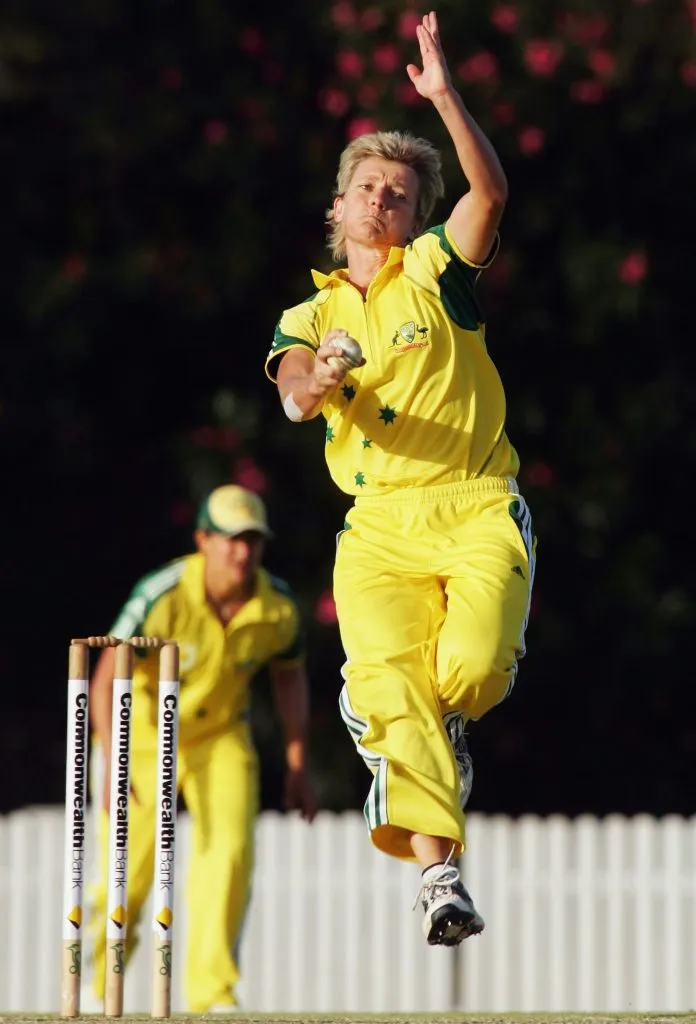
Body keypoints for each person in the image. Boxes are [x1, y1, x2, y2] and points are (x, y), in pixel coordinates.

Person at [265, 10, 536, 946]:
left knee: (470, 673)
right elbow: (294, 391)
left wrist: (444, 98)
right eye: (367, 187)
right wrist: (320, 381)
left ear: (414, 217)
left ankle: (413, 717)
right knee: (393, 690)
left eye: (399, 193)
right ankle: (439, 878)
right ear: (338, 208)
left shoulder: (435, 271)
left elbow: (490, 194)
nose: (382, 200)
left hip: (474, 505)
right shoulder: (306, 313)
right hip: (378, 525)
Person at [86, 484, 317, 1011]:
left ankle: (213, 996)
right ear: (203, 539)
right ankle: (98, 989)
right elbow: (103, 680)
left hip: (220, 737)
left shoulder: (275, 605)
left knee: (229, 855)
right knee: (129, 872)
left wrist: (297, 763)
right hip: (143, 735)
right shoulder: (163, 593)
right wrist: (111, 761)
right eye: (232, 539)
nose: (243, 552)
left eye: (253, 540)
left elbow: (290, 675)